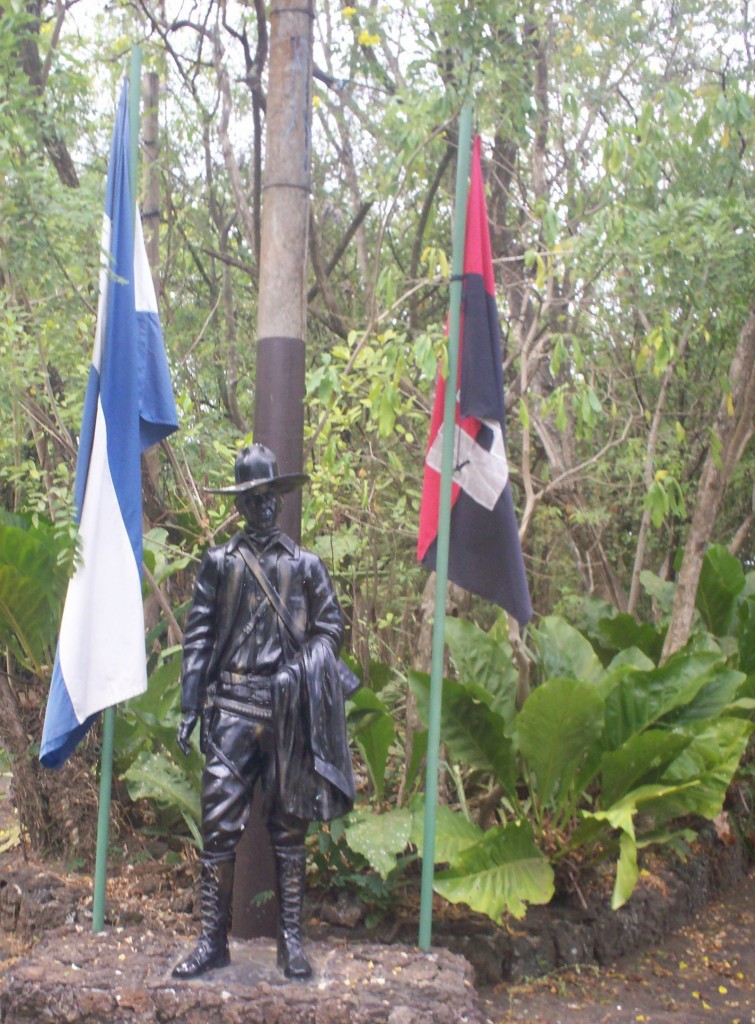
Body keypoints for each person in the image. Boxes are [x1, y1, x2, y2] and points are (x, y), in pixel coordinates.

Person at [172, 443, 359, 981]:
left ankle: (291, 943)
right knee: (217, 829)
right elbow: (199, 640)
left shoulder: (306, 567)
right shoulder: (219, 564)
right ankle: (212, 940)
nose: (266, 507)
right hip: (230, 711)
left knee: (288, 830)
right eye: (254, 498)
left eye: (272, 496)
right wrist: (190, 707)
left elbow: (332, 630)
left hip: (286, 714)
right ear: (240, 504)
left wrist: (297, 671)